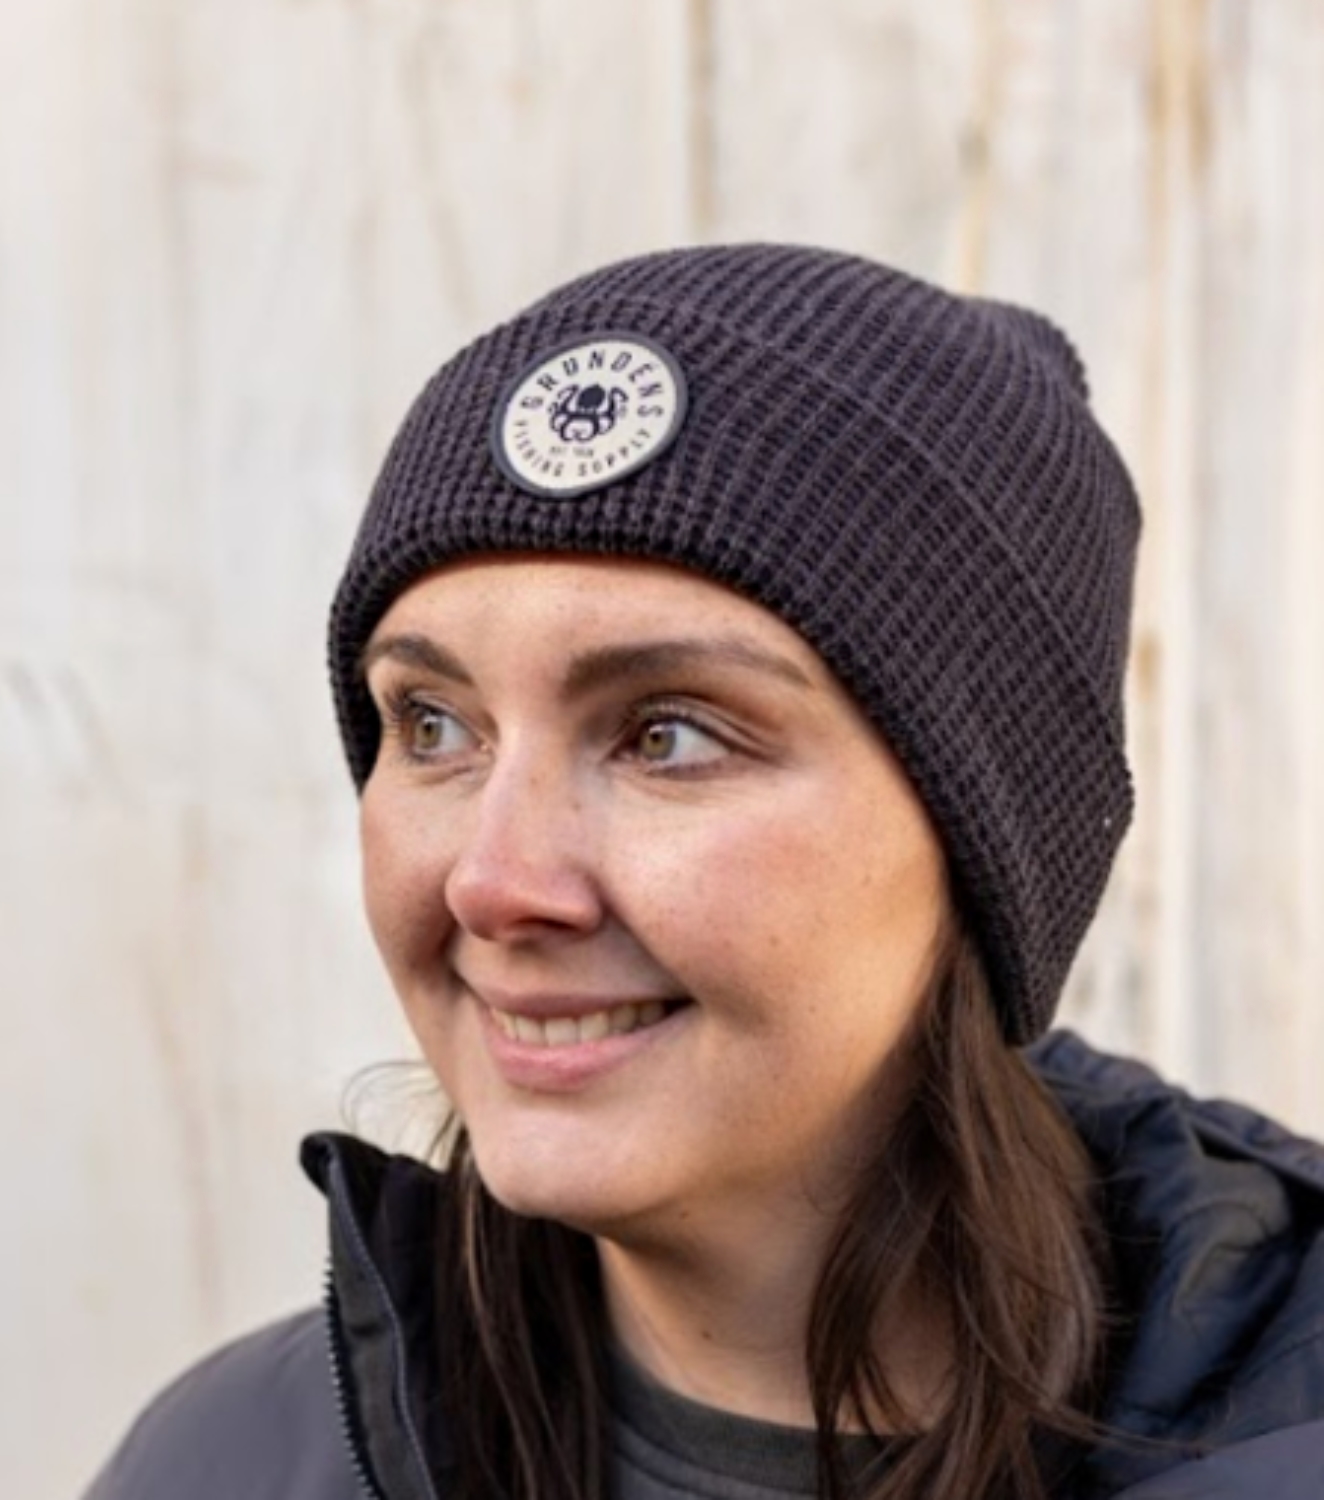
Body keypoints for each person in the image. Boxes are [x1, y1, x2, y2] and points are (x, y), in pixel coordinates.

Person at [84, 245, 1324, 1500]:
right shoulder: (229, 1462)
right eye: (435, 725)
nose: (493, 883)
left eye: (669, 735)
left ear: (985, 843)